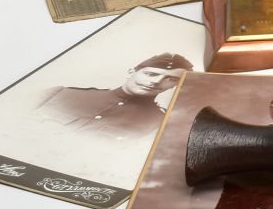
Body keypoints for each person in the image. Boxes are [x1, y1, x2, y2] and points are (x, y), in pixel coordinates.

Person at [36, 53, 193, 143]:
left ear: (176, 86)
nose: (156, 81)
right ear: (131, 72)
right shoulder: (60, 93)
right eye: (150, 74)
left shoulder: (161, 125)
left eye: (171, 79)